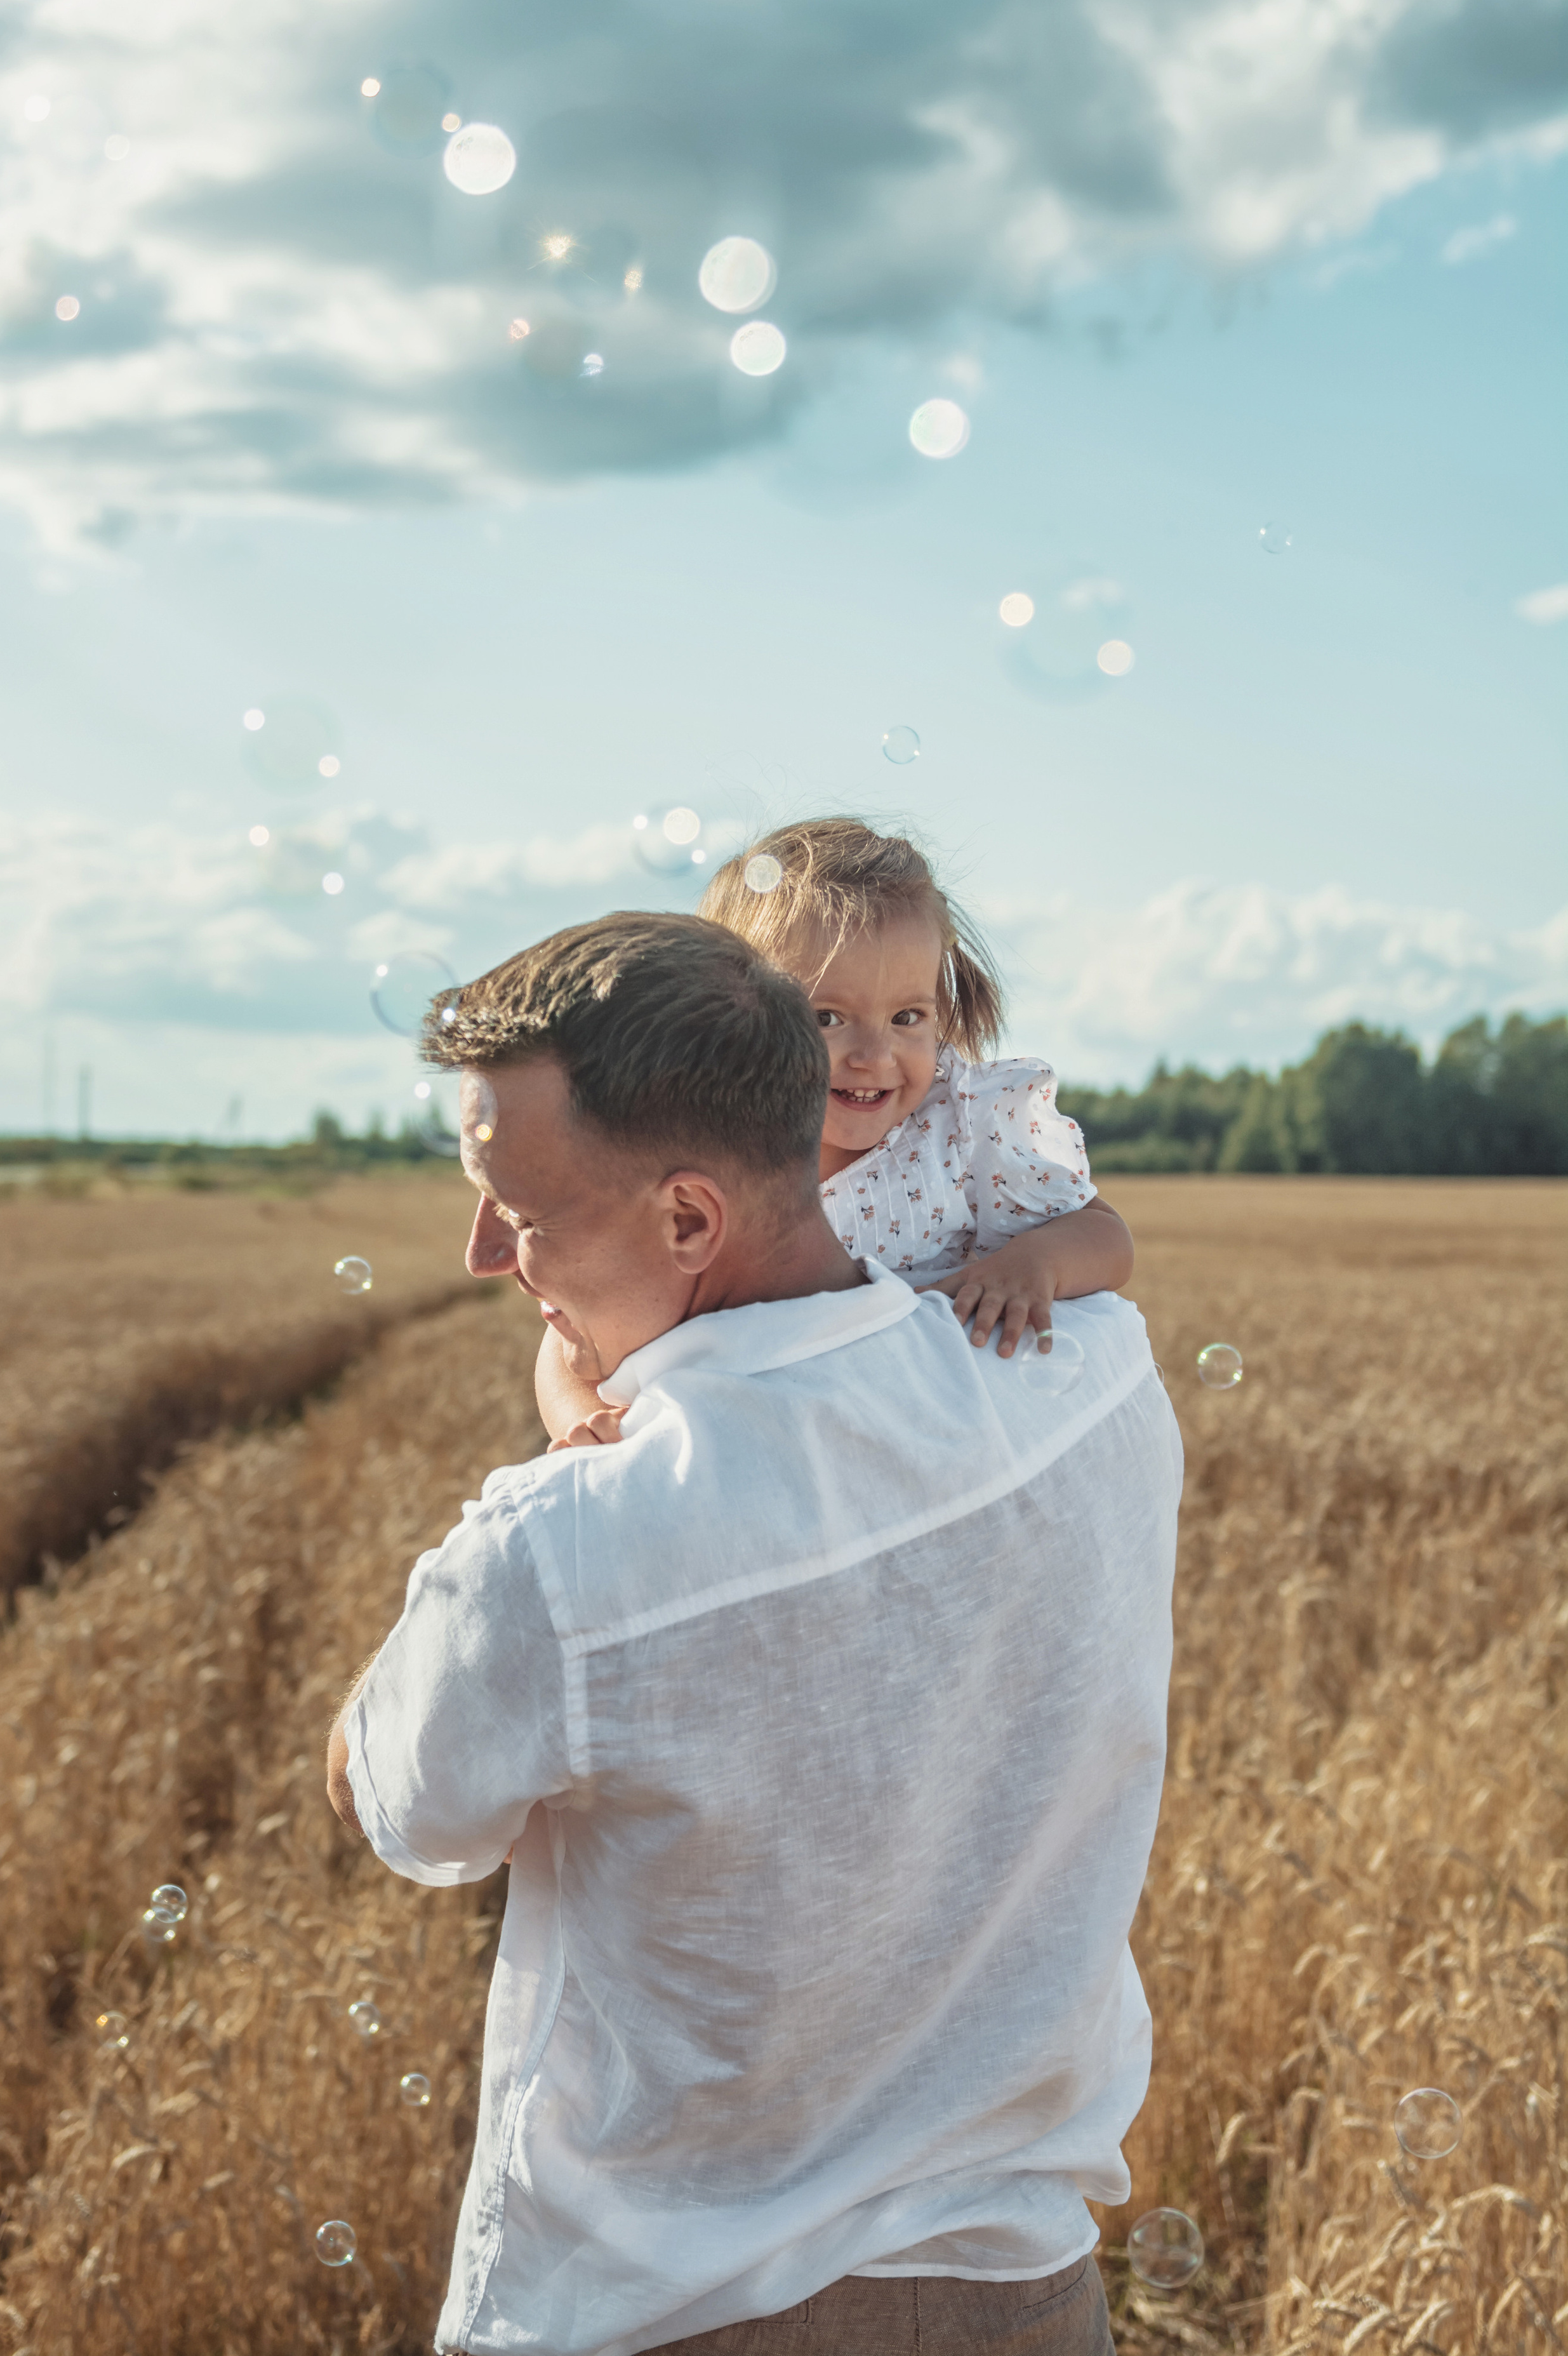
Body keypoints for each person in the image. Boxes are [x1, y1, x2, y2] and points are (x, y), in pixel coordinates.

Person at [326, 910, 1181, 2356]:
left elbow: (395, 1804)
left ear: (688, 1221)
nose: (482, 1257)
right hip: (1031, 2302)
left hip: (678, 2317)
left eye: (517, 1212)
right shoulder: (1097, 1373)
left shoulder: (567, 1542)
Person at [534, 818, 1134, 1449]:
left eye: (907, 1016)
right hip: (771, 1457)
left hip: (928, 1450)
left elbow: (1105, 1237)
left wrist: (1035, 1264)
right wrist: (585, 1423)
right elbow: (571, 1335)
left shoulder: (963, 1128)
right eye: (826, 1018)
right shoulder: (697, 1158)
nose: (875, 1056)